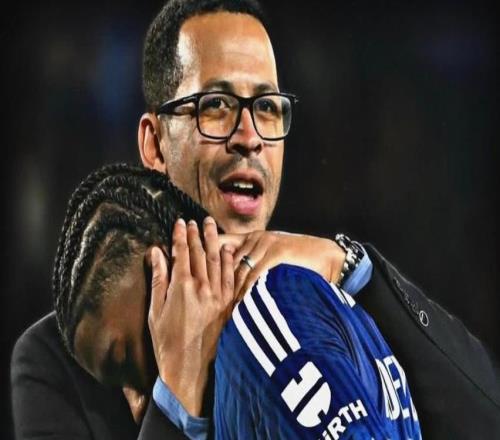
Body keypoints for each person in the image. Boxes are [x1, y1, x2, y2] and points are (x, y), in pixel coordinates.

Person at [11, 0, 500, 438]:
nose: (249, 136)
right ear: (155, 143)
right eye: (216, 105)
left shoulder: (326, 292)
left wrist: (348, 265)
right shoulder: (55, 356)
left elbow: (487, 416)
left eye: (267, 107)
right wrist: (175, 399)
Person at [50, 162, 422, 439]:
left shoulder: (264, 324)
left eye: (128, 364)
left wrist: (172, 412)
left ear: (180, 273)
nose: (137, 409)